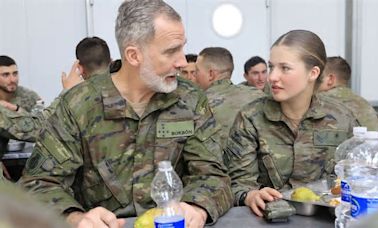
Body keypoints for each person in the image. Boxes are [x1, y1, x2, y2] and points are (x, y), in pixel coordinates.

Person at [19, 1, 232, 228]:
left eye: (182, 48)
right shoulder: (79, 105)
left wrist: (197, 207)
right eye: (171, 51)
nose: (182, 62)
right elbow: (37, 184)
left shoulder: (189, 100)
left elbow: (213, 175)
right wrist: (75, 218)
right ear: (133, 55)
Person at [225, 30, 358, 217]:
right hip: (269, 219)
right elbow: (236, 183)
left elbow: (359, 178)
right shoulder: (251, 117)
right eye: (272, 67)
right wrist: (250, 195)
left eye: (285, 68)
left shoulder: (342, 119)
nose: (272, 77)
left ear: (313, 73)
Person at [0, 36, 112, 143]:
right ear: (111, 61)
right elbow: (39, 128)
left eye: (15, 73)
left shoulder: (28, 95)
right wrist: (67, 92)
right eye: (5, 75)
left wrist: (67, 93)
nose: (12, 79)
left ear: (79, 68)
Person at [195, 47, 264, 149]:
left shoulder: (199, 105)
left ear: (211, 74)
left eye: (197, 71)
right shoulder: (259, 97)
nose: (195, 76)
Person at [318, 56, 378, 131]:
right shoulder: (364, 103)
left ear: (330, 79)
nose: (314, 82)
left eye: (318, 77)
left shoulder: (321, 101)